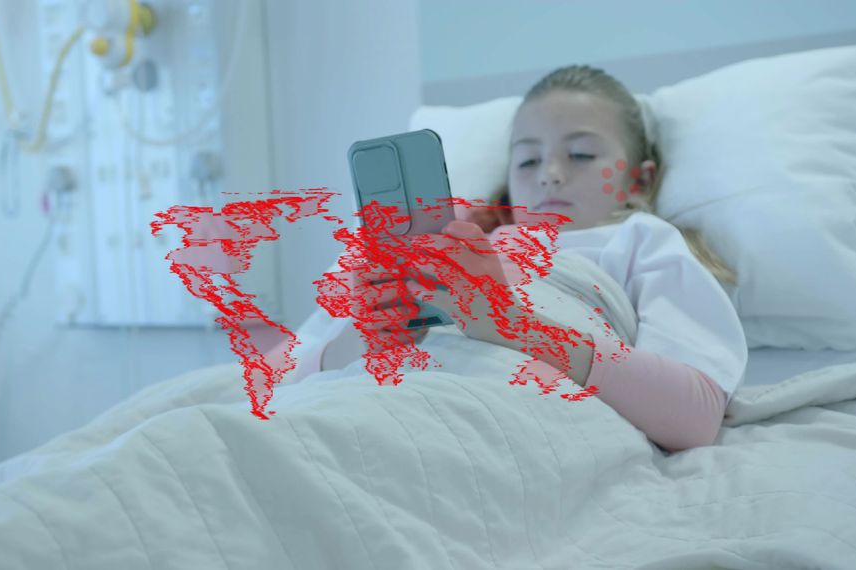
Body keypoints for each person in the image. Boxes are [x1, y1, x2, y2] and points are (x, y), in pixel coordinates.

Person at [284, 65, 747, 453]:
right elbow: (270, 382)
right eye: (527, 161)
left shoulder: (640, 242)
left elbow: (697, 417)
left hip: (493, 424)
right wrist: (365, 337)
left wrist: (511, 323)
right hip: (364, 407)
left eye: (581, 154)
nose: (549, 175)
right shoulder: (446, 249)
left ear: (638, 181)